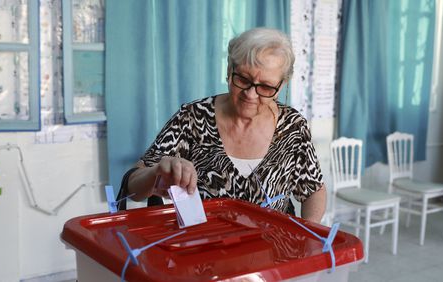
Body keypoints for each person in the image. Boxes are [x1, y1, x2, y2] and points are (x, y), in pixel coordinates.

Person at [123, 27, 326, 222]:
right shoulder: (192, 118)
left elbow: (313, 189)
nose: (250, 94)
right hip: (207, 248)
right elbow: (133, 188)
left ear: (282, 85)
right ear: (229, 69)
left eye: (265, 86)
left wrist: (308, 232)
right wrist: (156, 172)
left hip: (275, 249)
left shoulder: (293, 126)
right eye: (243, 79)